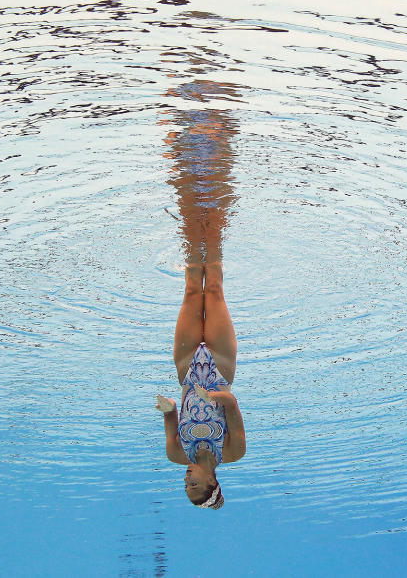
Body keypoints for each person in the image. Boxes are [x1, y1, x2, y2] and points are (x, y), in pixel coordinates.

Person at [155, 79, 246, 509]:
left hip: (187, 367)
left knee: (194, 286)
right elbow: (231, 402)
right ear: (214, 484)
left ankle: (192, 207)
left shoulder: (176, 455)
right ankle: (216, 207)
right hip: (221, 368)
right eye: (195, 485)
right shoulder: (233, 453)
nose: (187, 479)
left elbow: (172, 415)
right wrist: (215, 397)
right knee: (217, 284)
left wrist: (167, 409)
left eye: (185, 485)